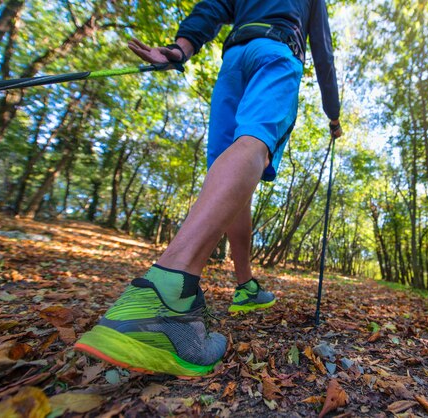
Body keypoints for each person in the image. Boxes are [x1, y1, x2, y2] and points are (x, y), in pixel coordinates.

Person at [74, 0, 342, 377]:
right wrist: (333, 113)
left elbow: (213, 6)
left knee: (229, 166)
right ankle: (167, 294)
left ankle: (245, 284)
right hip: (275, 50)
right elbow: (323, 51)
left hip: (234, 61)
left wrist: (182, 47)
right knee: (254, 144)